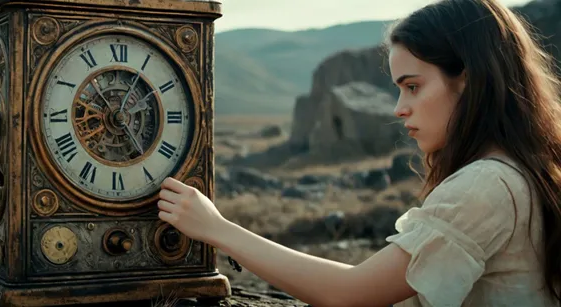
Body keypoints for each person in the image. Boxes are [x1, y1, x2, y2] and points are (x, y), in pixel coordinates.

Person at [158, 0, 561, 306]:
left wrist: (217, 229)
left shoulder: (485, 184)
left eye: (414, 86)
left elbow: (350, 294)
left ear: (469, 82)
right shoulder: (520, 170)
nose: (399, 108)